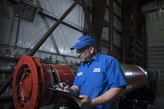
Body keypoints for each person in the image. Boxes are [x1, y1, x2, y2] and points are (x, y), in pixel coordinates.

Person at [62, 35, 127, 109]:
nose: (78, 54)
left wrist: (92, 102)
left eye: (80, 51)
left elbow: (118, 89)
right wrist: (69, 90)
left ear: (91, 49)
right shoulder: (81, 67)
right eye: (77, 51)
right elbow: (76, 88)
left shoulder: (109, 62)